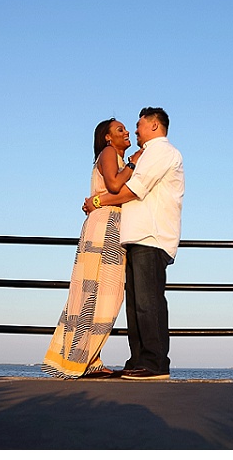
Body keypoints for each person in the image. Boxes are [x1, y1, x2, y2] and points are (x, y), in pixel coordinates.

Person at [84, 107, 184, 380]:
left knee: (148, 301)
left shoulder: (161, 152)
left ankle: (155, 364)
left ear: (153, 126)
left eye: (139, 125)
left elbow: (132, 190)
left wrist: (98, 201)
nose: (134, 130)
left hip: (151, 236)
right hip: (136, 236)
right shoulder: (146, 155)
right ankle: (139, 360)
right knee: (136, 304)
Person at [42, 118, 137, 379]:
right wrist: (132, 163)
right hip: (105, 226)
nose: (127, 132)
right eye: (120, 129)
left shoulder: (116, 157)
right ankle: (84, 360)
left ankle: (87, 358)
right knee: (102, 293)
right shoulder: (109, 153)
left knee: (99, 293)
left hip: (109, 225)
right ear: (107, 138)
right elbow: (116, 185)